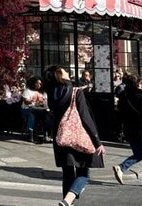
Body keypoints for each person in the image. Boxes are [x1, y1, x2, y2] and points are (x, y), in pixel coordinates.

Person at [44, 65, 106, 206]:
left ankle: (68, 202)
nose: (67, 72)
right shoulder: (75, 91)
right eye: (65, 71)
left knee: (67, 172)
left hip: (61, 136)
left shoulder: (52, 93)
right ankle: (68, 200)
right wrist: (97, 141)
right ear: (60, 74)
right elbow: (85, 117)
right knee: (83, 171)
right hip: (79, 135)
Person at [113, 74, 142, 187]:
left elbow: (119, 112)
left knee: (138, 153)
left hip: (129, 128)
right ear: (137, 83)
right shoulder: (141, 95)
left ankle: (122, 167)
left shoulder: (123, 95)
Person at [21, 76, 47, 142]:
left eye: (40, 84)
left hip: (39, 109)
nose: (39, 85)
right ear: (33, 83)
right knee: (31, 114)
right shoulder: (27, 91)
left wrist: (41, 102)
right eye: (38, 83)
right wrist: (33, 101)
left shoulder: (42, 92)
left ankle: (46, 134)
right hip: (27, 109)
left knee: (47, 115)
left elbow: (44, 103)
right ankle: (31, 134)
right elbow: (26, 102)